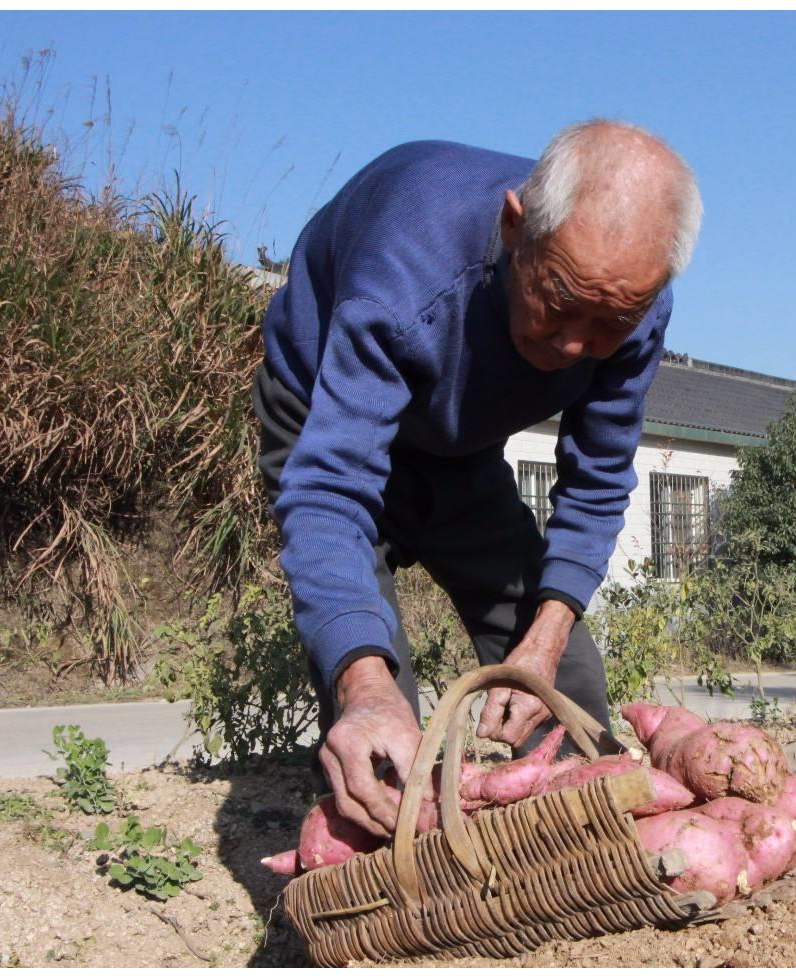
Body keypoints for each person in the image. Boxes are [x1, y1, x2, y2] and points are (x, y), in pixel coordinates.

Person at [253, 120, 702, 837]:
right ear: (514, 226)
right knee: (379, 745)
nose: (574, 345)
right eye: (560, 302)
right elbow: (330, 494)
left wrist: (545, 640)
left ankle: (572, 867)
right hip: (324, 415)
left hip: (460, 447)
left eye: (609, 321)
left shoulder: (631, 296)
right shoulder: (407, 272)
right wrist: (365, 685)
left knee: (567, 697)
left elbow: (597, 478)